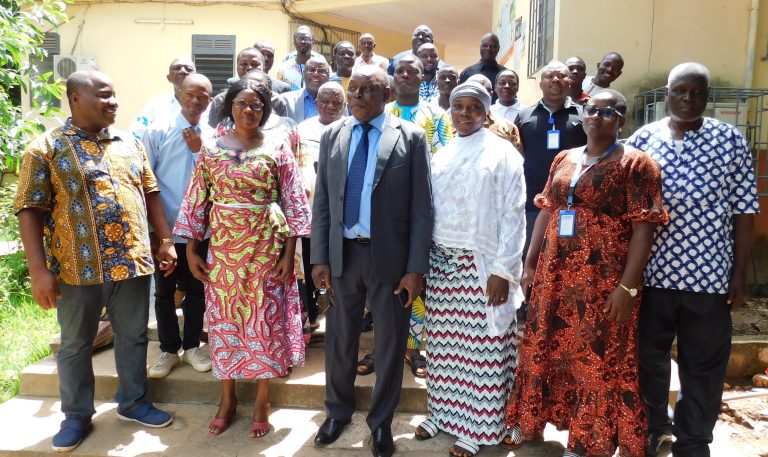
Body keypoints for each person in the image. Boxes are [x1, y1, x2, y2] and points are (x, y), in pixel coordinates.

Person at [15, 70, 177, 452]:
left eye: (115, 95)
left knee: (135, 336)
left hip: (133, 263)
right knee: (75, 343)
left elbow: (151, 192)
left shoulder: (130, 143)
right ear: (75, 98)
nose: (114, 102)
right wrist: (38, 270)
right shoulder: (46, 149)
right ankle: (76, 414)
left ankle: (133, 402)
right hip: (76, 268)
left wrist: (165, 240)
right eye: (104, 95)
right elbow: (29, 210)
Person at [504, 89, 668, 457]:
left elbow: (644, 228)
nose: (598, 116)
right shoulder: (565, 157)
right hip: (556, 273)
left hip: (603, 279)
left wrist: (627, 288)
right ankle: (529, 422)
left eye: (610, 112)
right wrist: (530, 264)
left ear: (621, 120)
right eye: (593, 109)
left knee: (597, 356)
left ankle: (587, 441)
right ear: (583, 115)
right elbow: (547, 211)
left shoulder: (638, 164)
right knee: (546, 345)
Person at [627, 62, 759, 457]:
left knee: (703, 365)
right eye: (681, 91)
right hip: (652, 277)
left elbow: (745, 210)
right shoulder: (642, 140)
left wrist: (739, 274)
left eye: (697, 92)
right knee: (647, 359)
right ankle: (655, 427)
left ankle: (693, 440)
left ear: (707, 97)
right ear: (667, 95)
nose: (688, 99)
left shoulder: (729, 141)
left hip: (710, 279)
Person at [174, 79, 311, 438]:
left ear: (265, 111)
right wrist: (190, 249)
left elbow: (294, 202)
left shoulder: (278, 147)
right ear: (229, 107)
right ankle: (228, 398)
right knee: (225, 321)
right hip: (223, 252)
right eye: (242, 103)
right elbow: (195, 201)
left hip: (266, 249)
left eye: (257, 105)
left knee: (263, 320)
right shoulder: (210, 150)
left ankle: (263, 399)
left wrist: (289, 254)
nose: (249, 110)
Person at [310, 65, 432, 457]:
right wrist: (318, 257)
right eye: (353, 89)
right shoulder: (333, 135)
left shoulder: (409, 137)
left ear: (387, 94)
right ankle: (337, 412)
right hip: (343, 253)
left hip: (391, 260)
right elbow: (323, 201)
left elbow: (421, 209)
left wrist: (415, 269)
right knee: (340, 340)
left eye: (367, 89)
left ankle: (380, 423)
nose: (358, 96)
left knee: (391, 343)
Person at [412, 81, 524, 457]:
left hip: (482, 266)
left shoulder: (502, 153)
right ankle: (443, 416)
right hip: (443, 264)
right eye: (458, 106)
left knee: (483, 350)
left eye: (472, 107)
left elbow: (514, 214)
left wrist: (503, 270)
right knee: (444, 348)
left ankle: (480, 425)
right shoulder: (443, 151)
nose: (464, 113)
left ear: (486, 112)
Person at [356, 54, 453, 380]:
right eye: (401, 71)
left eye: (415, 71)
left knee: (414, 285)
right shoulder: (379, 113)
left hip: (422, 210)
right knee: (379, 287)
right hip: (382, 216)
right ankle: (380, 347)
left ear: (425, 76)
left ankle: (412, 348)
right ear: (392, 78)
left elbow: (444, 163)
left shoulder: (437, 116)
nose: (407, 76)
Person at [142, 74, 214, 379]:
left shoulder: (213, 135)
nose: (196, 101)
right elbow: (145, 181)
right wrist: (158, 235)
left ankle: (193, 346)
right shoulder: (157, 131)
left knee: (197, 291)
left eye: (203, 96)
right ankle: (169, 350)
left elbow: (216, 177)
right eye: (190, 94)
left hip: (200, 231)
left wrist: (199, 149)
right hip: (165, 229)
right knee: (164, 292)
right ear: (178, 93)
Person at [515, 61, 587, 300]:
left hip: (571, 204)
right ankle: (529, 310)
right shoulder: (524, 115)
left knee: (566, 259)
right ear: (541, 82)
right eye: (550, 76)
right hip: (531, 203)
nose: (555, 80)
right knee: (530, 257)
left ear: (570, 82)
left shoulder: (582, 115)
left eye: (561, 76)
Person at [129, 57, 195, 141]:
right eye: (177, 68)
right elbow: (135, 135)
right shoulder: (156, 104)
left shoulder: (207, 106)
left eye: (189, 69)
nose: (183, 71)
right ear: (169, 77)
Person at [207, 47, 269, 127]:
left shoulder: (276, 100)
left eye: (255, 64)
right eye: (244, 64)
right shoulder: (220, 100)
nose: (249, 68)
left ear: (264, 68)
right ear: (236, 67)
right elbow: (213, 132)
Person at [468, 74, 522, 152]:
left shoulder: (507, 127)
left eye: (484, 90)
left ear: (491, 94)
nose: (478, 94)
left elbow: (517, 161)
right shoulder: (451, 124)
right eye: (473, 90)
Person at [459, 33, 507, 101]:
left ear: (498, 49)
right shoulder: (467, 73)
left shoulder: (505, 74)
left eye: (492, 46)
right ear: (480, 47)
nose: (488, 49)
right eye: (485, 45)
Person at [283, 56, 331, 123]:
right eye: (311, 70)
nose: (316, 74)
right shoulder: (286, 100)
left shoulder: (338, 102)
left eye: (321, 71)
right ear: (303, 74)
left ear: (328, 76)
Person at [277, 25, 323, 91]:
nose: (303, 42)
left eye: (307, 39)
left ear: (313, 42)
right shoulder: (284, 68)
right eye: (299, 38)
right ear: (294, 42)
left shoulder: (321, 68)